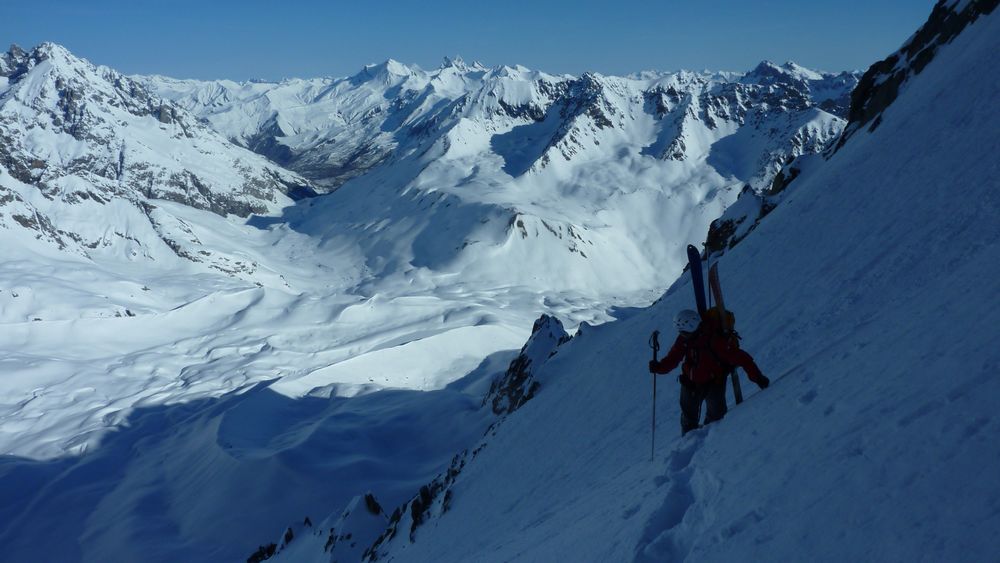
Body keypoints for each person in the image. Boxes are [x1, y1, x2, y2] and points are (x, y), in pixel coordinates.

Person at [649, 309, 770, 434]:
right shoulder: (685, 339)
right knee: (689, 417)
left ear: (691, 327)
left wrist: (758, 378)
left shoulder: (715, 341)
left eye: (684, 332)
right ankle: (689, 440)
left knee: (716, 417)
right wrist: (659, 367)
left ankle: (708, 439)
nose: (681, 334)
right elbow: (673, 358)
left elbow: (742, 358)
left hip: (713, 381)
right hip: (691, 382)